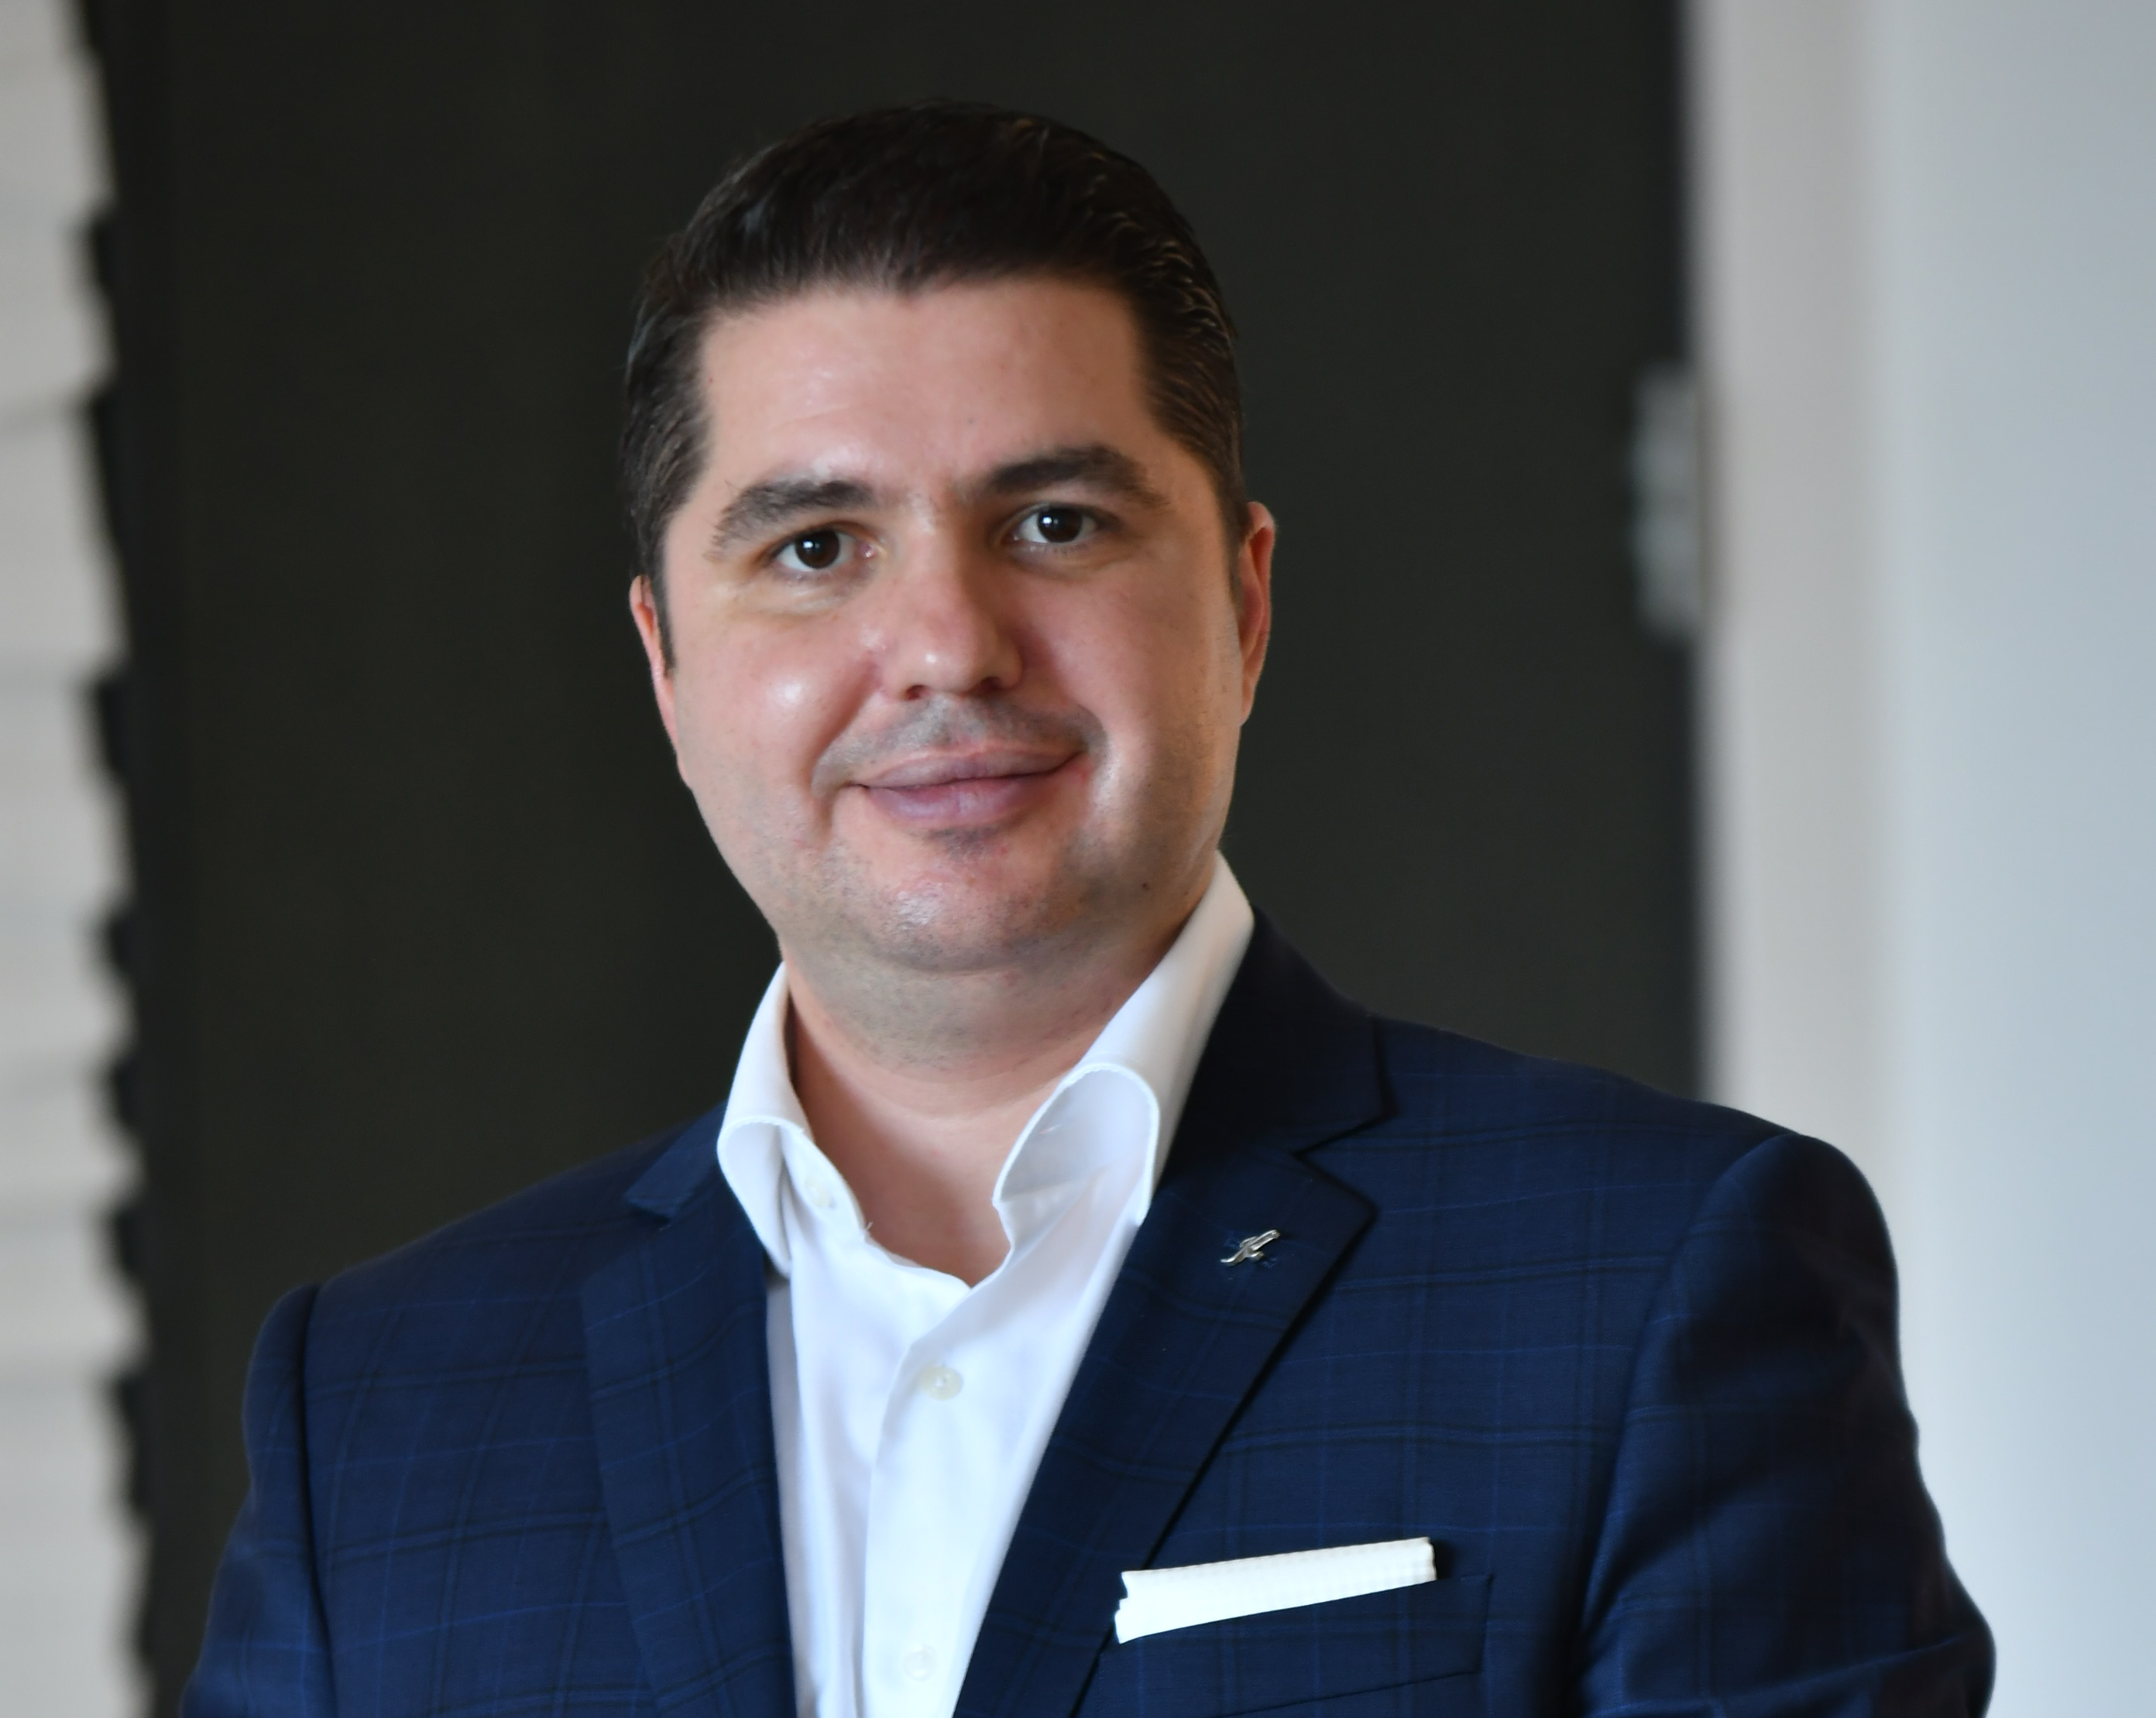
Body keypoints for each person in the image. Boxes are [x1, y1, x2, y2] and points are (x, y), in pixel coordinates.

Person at [184, 102, 1991, 1718]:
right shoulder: (380, 1408)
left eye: (1052, 522)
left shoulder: (1661, 1280)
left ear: (1244, 607)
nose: (947, 647)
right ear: (666, 667)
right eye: (815, 548)